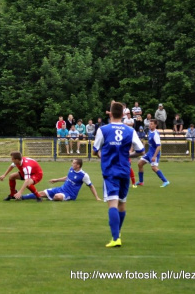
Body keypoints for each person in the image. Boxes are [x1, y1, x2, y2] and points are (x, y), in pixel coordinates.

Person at [93, 102, 145, 248]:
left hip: (110, 172)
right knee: (122, 203)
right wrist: (131, 155)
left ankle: (115, 238)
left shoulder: (103, 130)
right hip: (124, 170)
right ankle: (118, 232)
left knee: (113, 204)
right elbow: (141, 150)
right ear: (123, 114)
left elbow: (95, 150)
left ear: (110, 113)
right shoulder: (130, 130)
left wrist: (101, 155)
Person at [20, 159, 100, 202]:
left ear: (78, 165)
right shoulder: (71, 169)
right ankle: (21, 197)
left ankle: (50, 198)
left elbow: (91, 186)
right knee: (41, 193)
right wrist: (57, 180)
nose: (72, 164)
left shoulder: (84, 175)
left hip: (69, 194)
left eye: (73, 163)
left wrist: (97, 197)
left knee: (57, 196)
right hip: (61, 189)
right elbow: (68, 178)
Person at [137, 119, 170, 188]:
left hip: (154, 153)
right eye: (150, 123)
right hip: (149, 152)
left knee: (154, 168)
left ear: (155, 125)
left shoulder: (155, 134)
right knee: (140, 163)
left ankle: (165, 181)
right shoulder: (149, 131)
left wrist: (154, 156)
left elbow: (158, 146)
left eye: (152, 124)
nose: (150, 125)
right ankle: (141, 181)